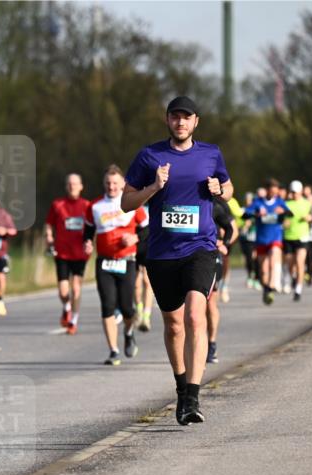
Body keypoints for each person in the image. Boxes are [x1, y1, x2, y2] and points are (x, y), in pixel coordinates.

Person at [122, 95, 233, 425]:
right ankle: (182, 389)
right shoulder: (149, 155)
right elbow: (126, 202)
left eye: (186, 117)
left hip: (201, 248)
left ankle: (194, 397)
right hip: (162, 253)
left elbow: (229, 189)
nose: (180, 122)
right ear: (167, 120)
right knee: (173, 326)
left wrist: (219, 190)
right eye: (175, 117)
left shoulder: (211, 154)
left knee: (195, 317)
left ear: (196, 121)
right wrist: (154, 187)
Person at [86, 165, 147, 365]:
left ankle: (128, 332)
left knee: (128, 308)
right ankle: (113, 350)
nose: (111, 187)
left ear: (123, 184)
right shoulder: (95, 206)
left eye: (115, 183)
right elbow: (88, 230)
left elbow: (147, 229)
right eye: (107, 183)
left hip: (126, 261)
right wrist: (87, 242)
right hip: (104, 262)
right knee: (108, 306)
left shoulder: (132, 203)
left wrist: (135, 238)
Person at [45, 173, 92, 335]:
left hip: (80, 254)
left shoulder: (87, 205)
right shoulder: (57, 204)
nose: (72, 186)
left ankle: (74, 321)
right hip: (62, 253)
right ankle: (67, 307)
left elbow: (93, 226)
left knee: (76, 289)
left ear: (81, 186)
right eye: (69, 184)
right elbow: (49, 224)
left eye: (75, 183)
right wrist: (49, 237)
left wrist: (90, 242)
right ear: (66, 186)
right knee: (63, 292)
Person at [243, 179, 290, 305]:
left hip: (275, 238)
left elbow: (290, 213)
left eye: (276, 192)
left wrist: (283, 212)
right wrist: (257, 213)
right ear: (267, 190)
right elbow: (245, 215)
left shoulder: (279, 202)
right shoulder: (258, 202)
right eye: (272, 191)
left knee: (274, 257)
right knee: (263, 270)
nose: (274, 194)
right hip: (262, 240)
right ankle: (266, 289)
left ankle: (272, 284)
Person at [206, 195, 238, 364]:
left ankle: (211, 343)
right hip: (187, 256)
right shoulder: (182, 197)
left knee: (210, 303)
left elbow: (233, 229)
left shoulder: (218, 204)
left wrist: (224, 244)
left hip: (212, 256)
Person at [283, 180, 312, 301]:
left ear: (300, 192)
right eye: (292, 192)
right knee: (290, 265)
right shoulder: (286, 204)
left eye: (296, 192)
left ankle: (298, 290)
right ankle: (294, 277)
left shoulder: (307, 204)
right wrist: (284, 223)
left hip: (302, 237)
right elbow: (282, 220)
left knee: (300, 263)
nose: (294, 194)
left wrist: (309, 218)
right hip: (289, 237)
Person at [134, 205, 155, 332]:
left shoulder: (154, 200)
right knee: (136, 283)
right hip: (134, 244)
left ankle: (146, 316)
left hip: (149, 244)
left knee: (147, 281)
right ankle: (139, 310)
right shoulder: (134, 202)